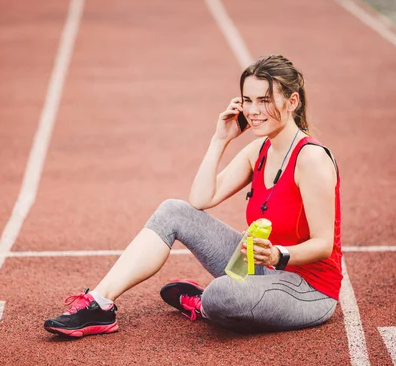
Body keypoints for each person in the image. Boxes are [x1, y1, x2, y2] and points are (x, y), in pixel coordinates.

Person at [44, 54, 342, 337]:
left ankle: (206, 304)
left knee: (221, 294)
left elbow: (324, 245)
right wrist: (220, 139)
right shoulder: (259, 150)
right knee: (174, 210)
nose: (252, 111)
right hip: (260, 266)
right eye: (248, 100)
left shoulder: (311, 159)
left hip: (309, 289)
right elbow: (200, 199)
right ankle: (100, 304)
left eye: (264, 101)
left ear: (292, 102)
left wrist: (278, 254)